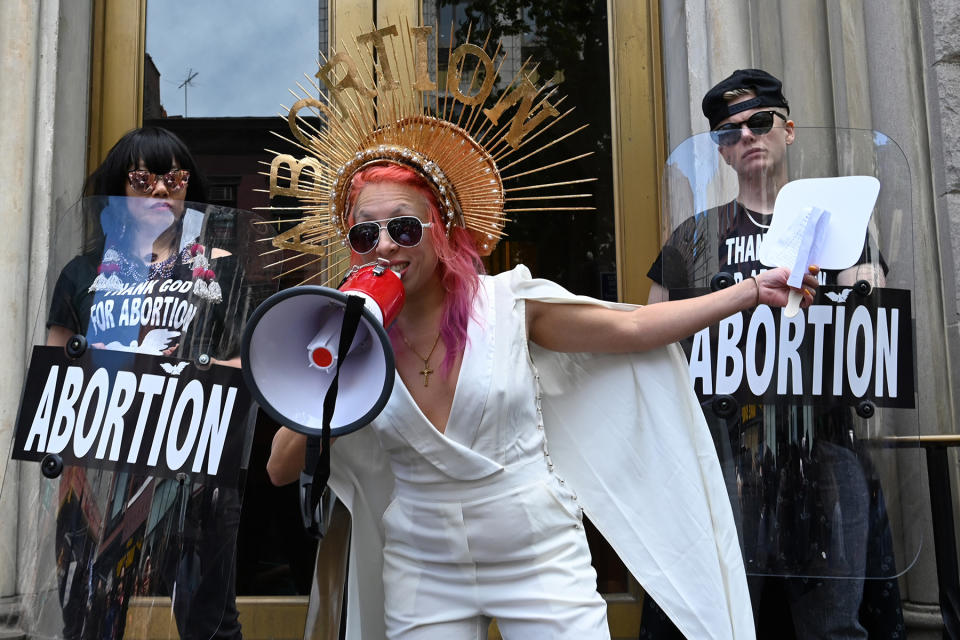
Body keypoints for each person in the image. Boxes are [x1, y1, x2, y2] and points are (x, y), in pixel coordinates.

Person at [265, 161, 819, 638]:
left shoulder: (507, 304)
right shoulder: (351, 339)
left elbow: (632, 328)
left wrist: (750, 291)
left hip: (537, 554)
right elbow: (280, 469)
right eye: (365, 235)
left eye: (405, 228)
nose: (386, 245)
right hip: (422, 565)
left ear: (441, 230)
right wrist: (336, 354)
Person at [640, 69, 904, 639]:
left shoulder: (844, 225)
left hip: (826, 441)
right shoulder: (694, 237)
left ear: (788, 129)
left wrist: (854, 282)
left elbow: (876, 323)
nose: (746, 137)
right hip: (726, 450)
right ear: (722, 154)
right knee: (725, 620)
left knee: (834, 626)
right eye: (728, 134)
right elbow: (651, 333)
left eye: (759, 122)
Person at [46, 126, 246, 639]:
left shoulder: (219, 272)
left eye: (174, 179)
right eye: (142, 178)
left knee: (211, 622)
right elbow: (55, 369)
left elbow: (242, 366)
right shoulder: (81, 272)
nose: (160, 190)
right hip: (98, 468)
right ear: (118, 187)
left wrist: (182, 379)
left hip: (191, 469)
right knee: (89, 619)